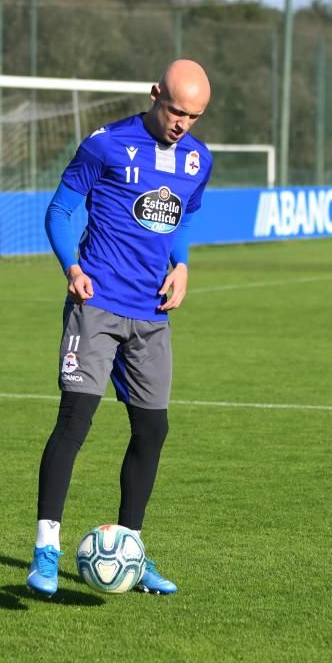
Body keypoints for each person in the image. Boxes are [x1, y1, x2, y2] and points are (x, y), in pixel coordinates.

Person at [27, 59, 213, 596]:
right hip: (98, 304)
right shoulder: (105, 144)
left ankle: (130, 548)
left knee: (153, 430)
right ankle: (45, 550)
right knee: (75, 421)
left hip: (152, 317)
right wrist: (73, 267)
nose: (183, 123)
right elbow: (62, 209)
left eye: (194, 116)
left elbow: (178, 218)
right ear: (156, 94)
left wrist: (181, 265)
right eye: (176, 110)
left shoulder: (199, 159)